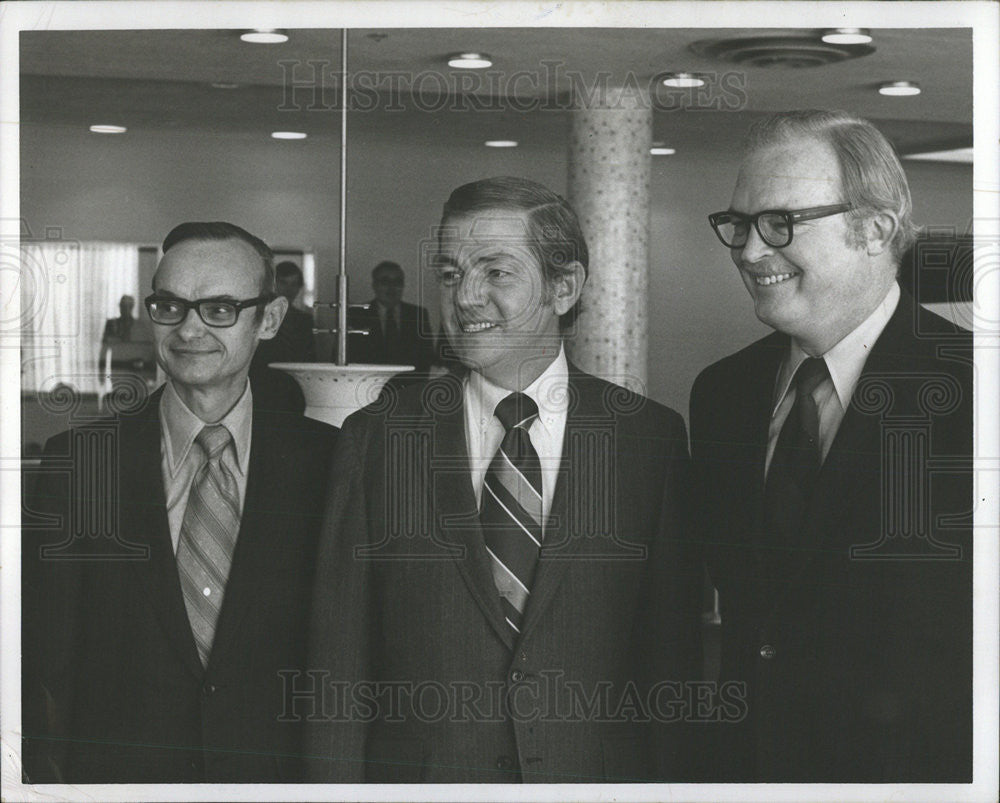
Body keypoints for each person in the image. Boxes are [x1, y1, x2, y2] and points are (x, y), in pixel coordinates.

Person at [305, 177, 702, 783]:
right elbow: (338, 665)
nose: (465, 296)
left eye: (496, 272)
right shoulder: (377, 438)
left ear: (564, 287)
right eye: (448, 274)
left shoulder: (649, 441)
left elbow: (671, 667)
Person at [692, 109, 972, 782]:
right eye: (739, 224)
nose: (751, 251)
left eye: (781, 223)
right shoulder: (723, 394)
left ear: (874, 229)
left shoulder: (977, 394)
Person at [22, 222, 338, 783]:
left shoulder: (332, 465)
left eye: (219, 308)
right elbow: (46, 660)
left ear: (269, 318)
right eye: (169, 306)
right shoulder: (79, 463)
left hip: (279, 782)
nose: (189, 328)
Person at [345, 259, 436, 372]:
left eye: (397, 282)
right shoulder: (357, 314)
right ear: (374, 285)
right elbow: (348, 357)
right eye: (385, 281)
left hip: (409, 385)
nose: (391, 287)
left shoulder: (417, 315)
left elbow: (427, 356)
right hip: (368, 382)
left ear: (403, 285)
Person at [249, 260, 314, 413]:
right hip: (262, 388)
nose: (289, 289)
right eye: (284, 282)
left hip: (296, 391)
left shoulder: (305, 320)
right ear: (274, 284)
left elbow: (310, 357)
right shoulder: (259, 316)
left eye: (295, 284)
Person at [99, 293, 156, 395]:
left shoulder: (140, 326)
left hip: (137, 372)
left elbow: (146, 350)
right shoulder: (112, 325)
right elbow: (104, 349)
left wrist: (150, 373)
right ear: (119, 306)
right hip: (118, 370)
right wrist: (101, 374)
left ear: (132, 307)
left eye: (128, 306)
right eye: (123, 306)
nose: (125, 309)